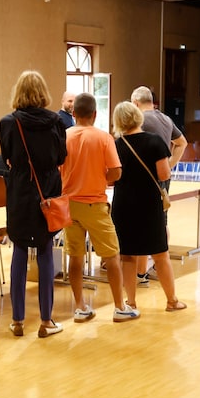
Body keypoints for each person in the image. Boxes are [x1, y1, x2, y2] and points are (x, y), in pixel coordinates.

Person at [0, 70, 67, 338]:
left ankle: (17, 320)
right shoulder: (56, 121)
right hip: (47, 190)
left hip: (18, 190)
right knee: (45, 249)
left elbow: (6, 157)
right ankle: (46, 320)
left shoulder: (8, 122)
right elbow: (61, 155)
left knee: (18, 249)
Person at [60, 93, 140, 323]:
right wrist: (98, 178)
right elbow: (116, 171)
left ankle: (80, 307)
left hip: (69, 205)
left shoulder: (63, 137)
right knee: (111, 256)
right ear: (95, 114)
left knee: (74, 257)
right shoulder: (104, 138)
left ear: (73, 114)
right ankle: (120, 306)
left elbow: (57, 170)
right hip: (94, 204)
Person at [110, 101, 187, 313]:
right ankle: (172, 301)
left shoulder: (117, 145)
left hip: (123, 204)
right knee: (160, 253)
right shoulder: (154, 142)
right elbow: (164, 174)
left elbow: (112, 177)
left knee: (127, 255)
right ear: (138, 117)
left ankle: (131, 302)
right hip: (149, 204)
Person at [130, 85, 188, 286]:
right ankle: (157, 264)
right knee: (161, 220)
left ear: (136, 103)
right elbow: (182, 143)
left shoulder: (139, 121)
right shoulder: (165, 118)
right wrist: (169, 165)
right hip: (163, 178)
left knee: (139, 225)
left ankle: (139, 273)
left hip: (143, 179)